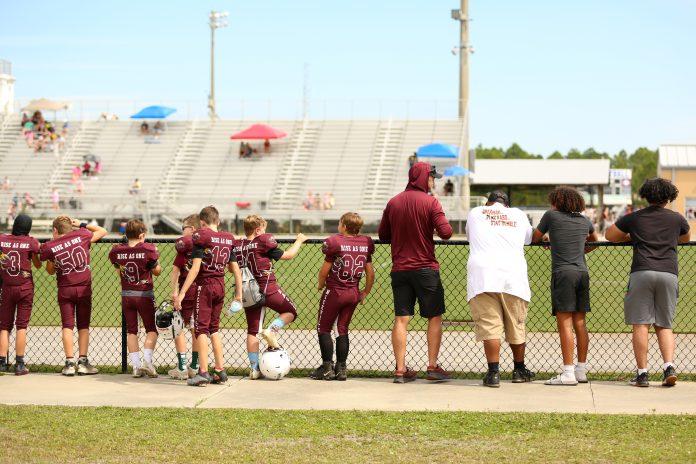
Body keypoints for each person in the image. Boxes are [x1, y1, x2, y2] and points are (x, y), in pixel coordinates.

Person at [605, 178, 690, 387]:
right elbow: (685, 239)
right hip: (668, 272)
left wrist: (631, 237)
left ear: (646, 195)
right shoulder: (677, 219)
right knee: (664, 324)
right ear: (669, 197)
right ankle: (668, 366)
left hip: (642, 271)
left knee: (640, 323)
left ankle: (642, 373)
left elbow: (610, 236)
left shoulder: (634, 218)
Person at [378, 161, 453, 383]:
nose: (433, 182)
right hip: (425, 268)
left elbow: (383, 236)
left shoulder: (393, 202)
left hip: (400, 269)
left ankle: (400, 370)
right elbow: (446, 233)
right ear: (423, 178)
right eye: (432, 178)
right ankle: (432, 366)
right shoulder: (431, 202)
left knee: (402, 318)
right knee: (434, 316)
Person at [465, 191, 535, 387]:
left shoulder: (477, 212)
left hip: (483, 275)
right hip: (512, 275)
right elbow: (528, 239)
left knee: (490, 326)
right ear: (506, 205)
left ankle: (493, 373)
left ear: (488, 203)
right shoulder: (518, 214)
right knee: (516, 325)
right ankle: (519, 370)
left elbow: (471, 236)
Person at [532, 187, 598, 385]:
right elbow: (595, 242)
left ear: (557, 202)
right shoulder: (584, 220)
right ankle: (581, 370)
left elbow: (535, 237)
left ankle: (568, 372)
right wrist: (579, 250)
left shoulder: (551, 216)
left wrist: (548, 239)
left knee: (565, 322)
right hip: (582, 272)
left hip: (563, 273)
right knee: (580, 323)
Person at [174, 206, 243, 387]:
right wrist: (238, 295)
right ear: (218, 221)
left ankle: (203, 372)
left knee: (201, 329)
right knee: (214, 329)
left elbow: (195, 268)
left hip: (205, 286)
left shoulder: (202, 237)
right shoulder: (228, 238)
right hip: (221, 285)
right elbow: (235, 269)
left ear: (202, 223)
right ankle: (220, 370)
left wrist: (181, 294)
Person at [232, 216, 307, 379]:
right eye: (263, 229)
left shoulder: (238, 246)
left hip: (248, 292)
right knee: (290, 311)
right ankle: (271, 330)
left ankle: (254, 368)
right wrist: (299, 241)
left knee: (252, 330)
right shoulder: (263, 241)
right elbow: (287, 255)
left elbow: (232, 269)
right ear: (258, 230)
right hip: (268, 288)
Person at [40, 216, 107, 376]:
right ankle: (82, 362)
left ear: (55, 230)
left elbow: (50, 271)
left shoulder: (51, 245)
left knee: (67, 326)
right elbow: (102, 231)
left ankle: (69, 363)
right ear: (71, 227)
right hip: (83, 287)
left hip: (65, 288)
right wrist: (81, 224)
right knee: (83, 326)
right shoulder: (82, 235)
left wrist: (53, 257)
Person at [311, 212, 375, 381]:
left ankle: (327, 367)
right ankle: (341, 368)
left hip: (335, 291)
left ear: (344, 226)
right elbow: (370, 272)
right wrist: (365, 292)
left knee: (323, 328)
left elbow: (324, 271)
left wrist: (320, 284)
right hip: (353, 292)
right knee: (342, 329)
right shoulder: (366, 242)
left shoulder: (335, 241)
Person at [108, 219, 161, 378]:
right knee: (151, 330)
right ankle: (147, 361)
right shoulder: (148, 249)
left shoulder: (117, 251)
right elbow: (157, 271)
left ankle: (136, 366)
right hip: (144, 294)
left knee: (132, 331)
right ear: (142, 235)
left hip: (127, 295)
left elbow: (118, 270)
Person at [0, 215, 41, 375]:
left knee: (4, 326)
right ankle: (19, 363)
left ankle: (2, 362)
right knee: (21, 326)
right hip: (24, 287)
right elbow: (37, 265)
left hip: (7, 286)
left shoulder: (2, 239)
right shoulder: (31, 242)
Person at [168, 214, 202, 380]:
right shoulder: (205, 244)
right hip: (203, 290)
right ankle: (195, 365)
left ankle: (182, 366)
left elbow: (175, 270)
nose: (182, 232)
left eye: (184, 228)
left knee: (179, 327)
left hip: (187, 292)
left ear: (193, 229)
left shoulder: (186, 247)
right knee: (197, 329)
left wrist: (174, 292)